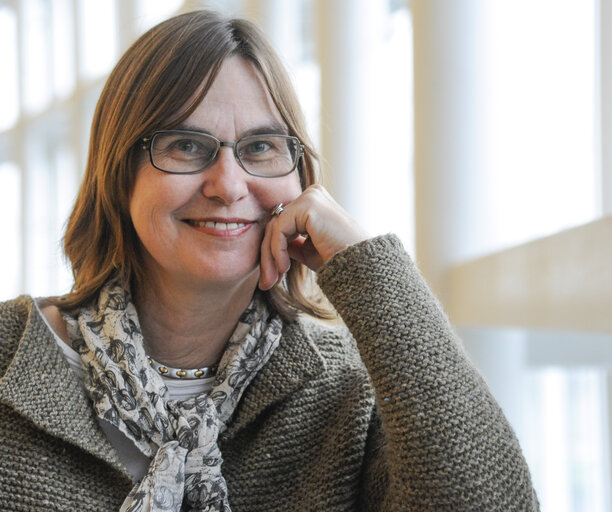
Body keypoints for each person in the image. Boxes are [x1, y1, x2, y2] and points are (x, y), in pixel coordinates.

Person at [0, 10, 538, 512]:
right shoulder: (10, 352)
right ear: (119, 174)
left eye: (261, 147)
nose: (229, 185)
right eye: (186, 145)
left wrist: (366, 264)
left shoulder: (347, 386)